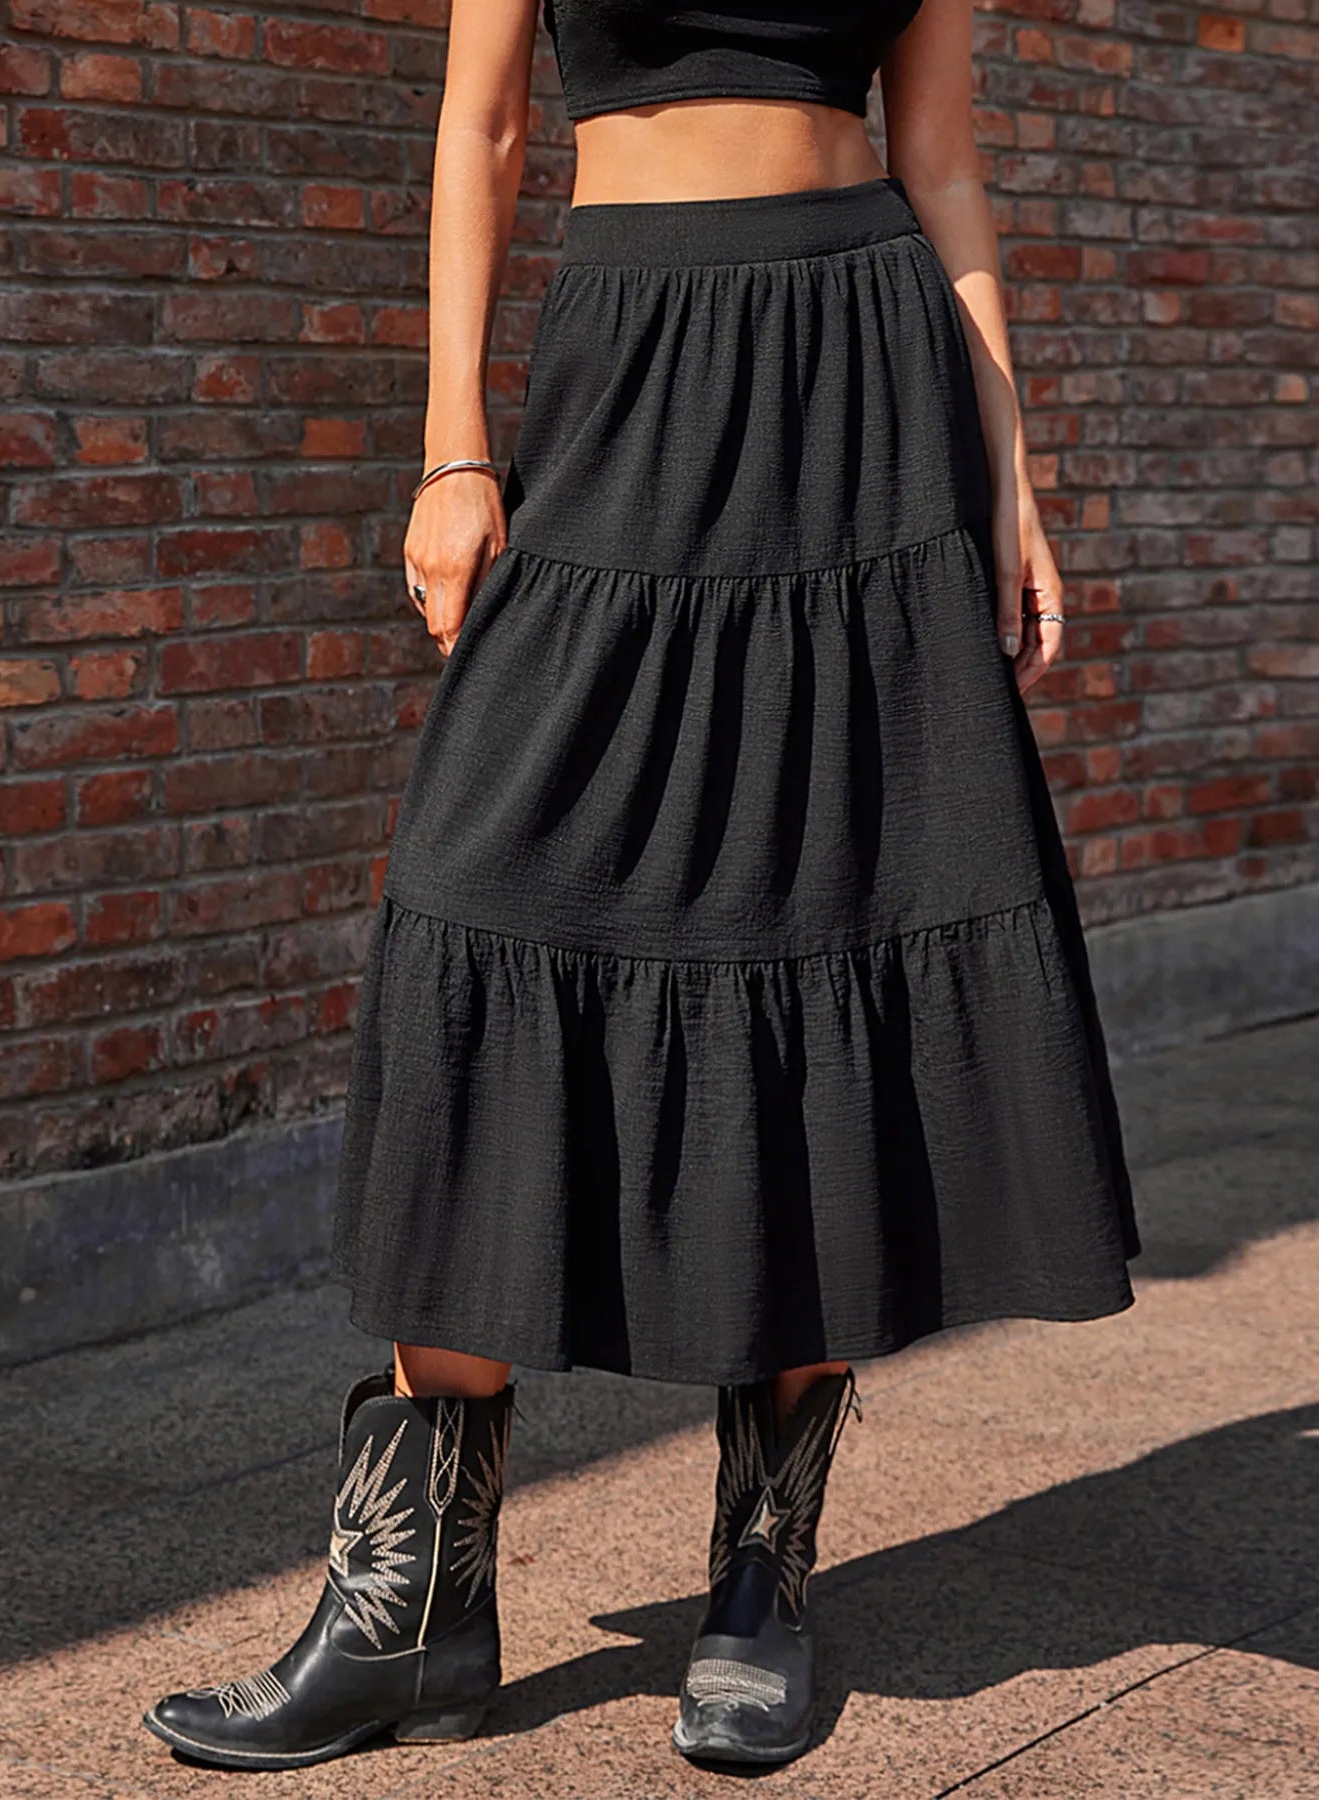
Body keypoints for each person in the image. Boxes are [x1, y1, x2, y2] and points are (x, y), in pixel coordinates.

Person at [143, 0, 1140, 1774]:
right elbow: (481, 130)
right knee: (477, 899)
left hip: (858, 379)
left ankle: (758, 1590)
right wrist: (453, 451)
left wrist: (1011, 472)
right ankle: (410, 1612)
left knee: (834, 904)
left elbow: (942, 158)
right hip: (624, 362)